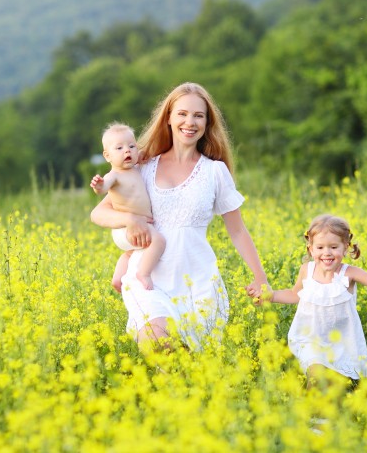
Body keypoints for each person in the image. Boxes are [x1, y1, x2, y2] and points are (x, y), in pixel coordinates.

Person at [90, 82, 267, 350]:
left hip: (197, 280)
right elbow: (100, 212)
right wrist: (130, 220)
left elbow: (238, 230)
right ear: (169, 118)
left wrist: (261, 278)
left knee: (187, 372)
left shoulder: (215, 172)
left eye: (199, 115)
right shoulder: (144, 167)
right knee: (158, 343)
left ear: (207, 123)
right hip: (149, 280)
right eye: (182, 114)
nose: (190, 122)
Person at [251, 214, 367, 388]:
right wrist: (270, 296)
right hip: (311, 339)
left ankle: (332, 408)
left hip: (342, 342)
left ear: (345, 247)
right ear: (311, 249)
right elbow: (294, 294)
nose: (327, 253)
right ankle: (316, 414)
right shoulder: (307, 271)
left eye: (333, 247)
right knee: (316, 373)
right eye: (320, 247)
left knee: (334, 384)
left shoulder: (349, 273)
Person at [90, 122, 165, 291]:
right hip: (129, 226)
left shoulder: (136, 169)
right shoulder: (114, 175)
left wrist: (143, 154)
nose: (127, 150)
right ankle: (143, 273)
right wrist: (99, 185)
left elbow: (147, 154)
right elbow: (103, 188)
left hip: (127, 232)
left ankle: (118, 279)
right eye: (119, 148)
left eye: (131, 146)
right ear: (107, 156)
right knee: (158, 241)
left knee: (129, 253)